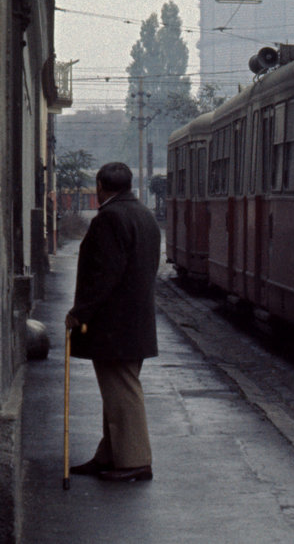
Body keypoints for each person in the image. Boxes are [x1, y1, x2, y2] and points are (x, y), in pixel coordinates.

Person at [65, 162, 161, 483]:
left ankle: (135, 460)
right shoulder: (144, 215)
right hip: (136, 321)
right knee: (116, 390)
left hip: (114, 323)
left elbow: (103, 274)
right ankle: (110, 453)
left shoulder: (110, 218)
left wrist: (80, 312)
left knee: (122, 390)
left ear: (100, 186)